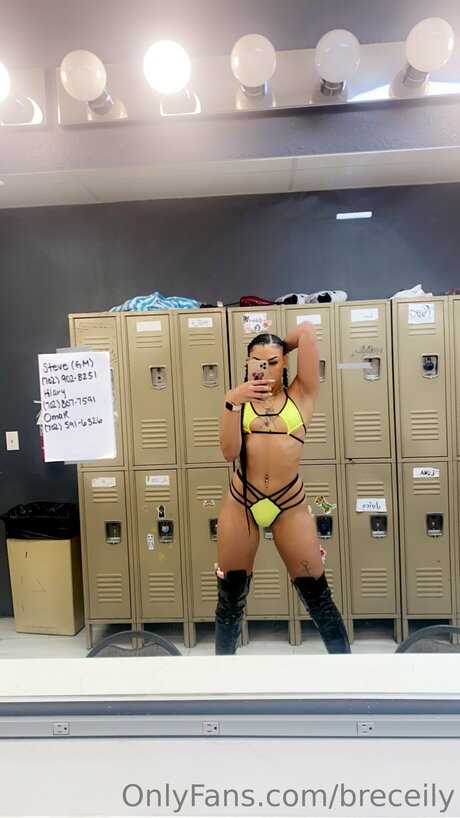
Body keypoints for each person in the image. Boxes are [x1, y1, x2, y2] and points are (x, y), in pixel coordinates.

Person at [215, 322, 350, 655]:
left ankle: (347, 670)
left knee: (317, 594)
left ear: (285, 362)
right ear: (247, 362)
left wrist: (278, 345)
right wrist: (233, 401)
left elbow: (306, 331)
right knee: (230, 599)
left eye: (273, 362)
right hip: (242, 501)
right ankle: (220, 674)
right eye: (257, 362)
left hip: (289, 503)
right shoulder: (237, 399)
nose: (265, 369)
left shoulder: (301, 394)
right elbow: (230, 453)